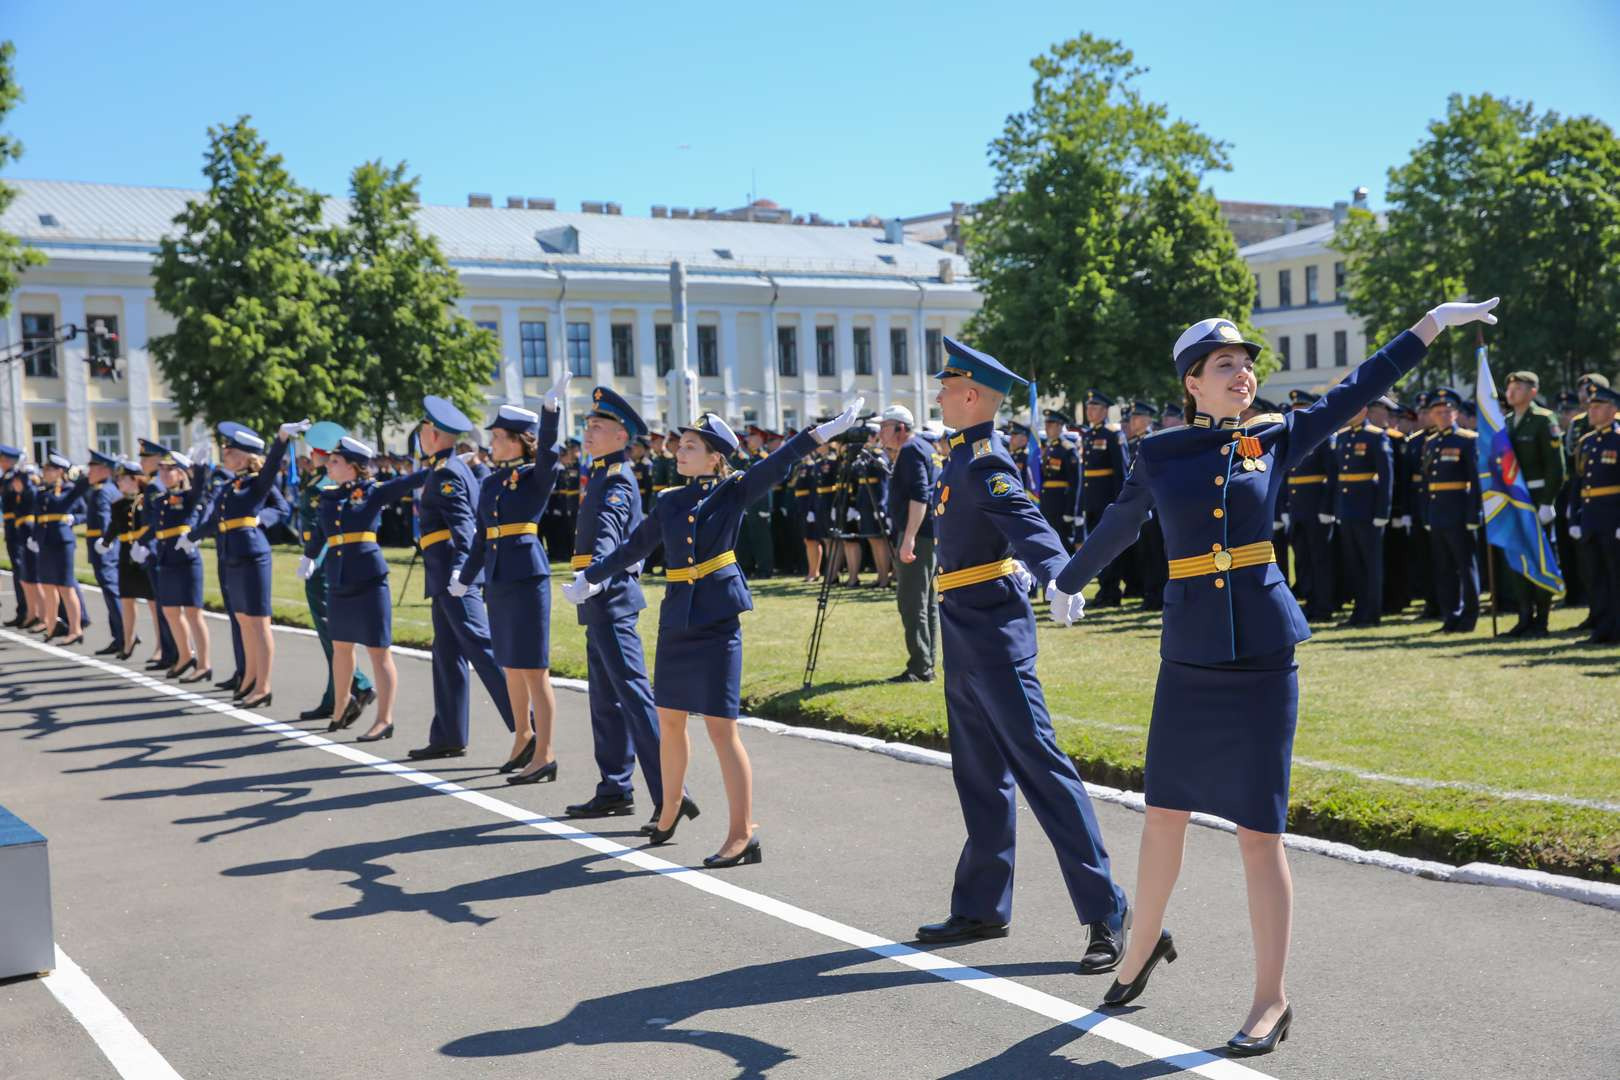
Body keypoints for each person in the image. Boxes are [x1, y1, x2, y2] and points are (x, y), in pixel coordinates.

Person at [1055, 298, 1500, 1056]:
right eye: (1226, 365)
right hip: (1190, 655)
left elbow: (1359, 386)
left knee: (1260, 833)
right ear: (1191, 382)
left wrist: (1427, 325)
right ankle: (1141, 950)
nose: (1244, 374)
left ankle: (1271, 999)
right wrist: (1068, 579)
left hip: (1263, 655)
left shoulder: (1276, 436)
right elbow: (1120, 524)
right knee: (1165, 813)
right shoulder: (1159, 455)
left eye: (1247, 363)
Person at [911, 337, 1129, 979]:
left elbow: (1030, 525)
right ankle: (982, 905)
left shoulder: (984, 462)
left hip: (995, 635)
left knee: (1043, 772)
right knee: (979, 773)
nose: (940, 395)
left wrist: (1063, 578)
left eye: (948, 387)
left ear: (971, 395)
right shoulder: (954, 458)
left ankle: (1108, 911)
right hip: (963, 628)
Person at [564, 401, 863, 866]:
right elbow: (634, 546)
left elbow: (777, 462)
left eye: (690, 446)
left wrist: (819, 433)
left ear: (715, 457)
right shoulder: (668, 500)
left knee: (723, 730)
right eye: (680, 444)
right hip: (677, 619)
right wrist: (594, 577)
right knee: (669, 722)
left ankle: (743, 833)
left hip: (717, 621)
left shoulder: (732, 492)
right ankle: (668, 809)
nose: (679, 451)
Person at [560, 385, 687, 829]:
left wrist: (593, 576)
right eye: (587, 425)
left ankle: (671, 794)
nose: (588, 432)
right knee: (606, 701)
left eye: (598, 427)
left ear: (621, 436)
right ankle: (615, 786)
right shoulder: (600, 472)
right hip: (598, 599)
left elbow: (610, 534)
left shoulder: (616, 479)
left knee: (633, 697)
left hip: (609, 597)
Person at [453, 395, 564, 783]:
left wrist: (550, 415)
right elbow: (483, 537)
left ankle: (545, 754)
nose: (492, 443)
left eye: (499, 436)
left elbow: (550, 454)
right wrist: (466, 576)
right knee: (512, 666)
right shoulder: (493, 481)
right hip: (499, 578)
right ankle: (523, 736)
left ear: (519, 440)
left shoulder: (536, 475)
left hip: (527, 578)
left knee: (534, 670)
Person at [297, 428, 430, 741]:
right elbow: (320, 533)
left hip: (369, 579)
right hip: (339, 577)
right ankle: (341, 707)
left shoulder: (373, 492)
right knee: (341, 648)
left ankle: (384, 719)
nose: (328, 465)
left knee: (378, 651)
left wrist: (437, 466)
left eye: (335, 461)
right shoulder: (329, 496)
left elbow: (408, 482)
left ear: (353, 465)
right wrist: (309, 557)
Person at [409, 396, 520, 765]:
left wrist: (461, 572)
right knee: (447, 655)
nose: (420, 436)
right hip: (445, 577)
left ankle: (529, 729)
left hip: (456, 578)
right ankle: (449, 734)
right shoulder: (444, 469)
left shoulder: (446, 474)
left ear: (434, 433)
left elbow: (464, 529)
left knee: (483, 652)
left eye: (423, 429)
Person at [190, 422, 291, 708]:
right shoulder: (228, 485)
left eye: (230, 450)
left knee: (259, 624)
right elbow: (213, 521)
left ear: (246, 456)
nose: (225, 454)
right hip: (231, 555)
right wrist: (190, 537)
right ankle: (249, 678)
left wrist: (281, 437)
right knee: (244, 621)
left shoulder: (257, 482)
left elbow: (272, 469)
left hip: (252, 555)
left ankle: (264, 685)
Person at [295, 422, 376, 726]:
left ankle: (360, 685)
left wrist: (317, 558)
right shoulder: (316, 480)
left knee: (333, 635)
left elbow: (329, 530)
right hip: (317, 561)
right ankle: (334, 697)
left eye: (320, 453)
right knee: (328, 635)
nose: (315, 457)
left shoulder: (325, 485)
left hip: (326, 564)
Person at [132, 445, 214, 681]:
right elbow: (157, 528)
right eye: (162, 469)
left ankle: (204, 663)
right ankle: (185, 656)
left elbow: (199, 489)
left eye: (171, 469)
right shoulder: (161, 500)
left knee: (193, 613)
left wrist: (198, 467)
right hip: (166, 558)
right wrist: (142, 542)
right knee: (169, 611)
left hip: (186, 560)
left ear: (180, 473)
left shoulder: (189, 498)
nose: (165, 473)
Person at [1501, 371, 1565, 637]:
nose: (1512, 392)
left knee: (1540, 559)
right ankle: (1524, 617)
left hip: (1537, 499)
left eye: (1518, 387)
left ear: (1533, 391)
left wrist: (1548, 502)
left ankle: (1542, 621)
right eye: (1510, 387)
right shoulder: (1505, 421)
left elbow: (1556, 466)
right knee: (1519, 558)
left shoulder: (1543, 420)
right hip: (1514, 500)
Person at [879, 404, 939, 683]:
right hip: (928, 533)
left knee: (912, 601)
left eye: (885, 426)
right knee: (925, 602)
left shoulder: (913, 450)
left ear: (901, 429)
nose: (881, 432)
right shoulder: (923, 448)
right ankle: (925, 661)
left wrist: (910, 538)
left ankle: (920, 665)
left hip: (919, 533)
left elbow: (920, 496)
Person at [1423, 388, 1483, 633]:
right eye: (1438, 412)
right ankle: (1451, 615)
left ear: (1456, 413)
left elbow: (1476, 481)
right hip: (1437, 513)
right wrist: (1426, 513)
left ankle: (1469, 617)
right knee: (1444, 568)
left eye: (1448, 411)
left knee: (1465, 567)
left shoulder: (1468, 440)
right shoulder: (1431, 442)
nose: (1443, 415)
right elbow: (1426, 483)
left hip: (1460, 512)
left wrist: (1473, 514)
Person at [1331, 406, 1394, 627]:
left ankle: (1372, 613)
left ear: (1365, 411)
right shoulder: (1342, 437)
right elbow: (1339, 476)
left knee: (1371, 564)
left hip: (1368, 510)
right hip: (1347, 510)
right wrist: (1338, 509)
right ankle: (1359, 612)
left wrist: (1382, 512)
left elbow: (1386, 477)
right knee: (1353, 564)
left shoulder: (1376, 436)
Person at [1570, 384, 1620, 645]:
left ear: (1613, 410)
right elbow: (1578, 484)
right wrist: (1574, 518)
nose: (1592, 411)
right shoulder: (1586, 442)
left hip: (1613, 518)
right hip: (1590, 518)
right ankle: (1602, 628)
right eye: (1590, 406)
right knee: (1596, 576)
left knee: (1616, 575)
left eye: (1598, 406)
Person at [29, 451, 91, 645]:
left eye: (49, 469)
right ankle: (51, 625)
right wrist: (34, 538)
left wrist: (74, 519)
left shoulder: (69, 490)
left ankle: (76, 629)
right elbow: (39, 519)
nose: (45, 471)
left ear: (59, 471)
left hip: (62, 541)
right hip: (46, 541)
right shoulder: (42, 492)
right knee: (48, 585)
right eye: (45, 468)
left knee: (65, 586)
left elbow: (84, 513)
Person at [1079, 390, 1127, 605]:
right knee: (1096, 547)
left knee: (1108, 548)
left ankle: (1111, 591)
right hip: (1093, 501)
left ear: (1105, 410)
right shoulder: (1089, 435)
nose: (1090, 412)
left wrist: (1120, 502)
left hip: (1108, 500)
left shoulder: (1112, 433)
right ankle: (1103, 589)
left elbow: (1121, 471)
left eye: (1095, 407)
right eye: (1088, 407)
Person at [108, 458, 155, 660]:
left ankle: (161, 646)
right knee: (127, 599)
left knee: (153, 603)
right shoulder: (119, 504)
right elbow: (115, 526)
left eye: (122, 478)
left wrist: (145, 546)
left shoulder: (146, 500)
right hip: (126, 554)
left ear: (135, 479)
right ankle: (128, 641)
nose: (119, 482)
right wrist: (105, 541)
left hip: (144, 553)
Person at [82, 450, 126, 654]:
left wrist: (104, 542)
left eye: (92, 467)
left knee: (112, 592)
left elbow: (106, 521)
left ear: (104, 470)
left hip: (104, 548)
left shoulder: (103, 491)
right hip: (105, 546)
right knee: (111, 592)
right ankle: (120, 635)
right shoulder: (107, 489)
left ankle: (125, 635)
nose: (88, 471)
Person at [1126, 402, 1168, 611]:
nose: (1132, 422)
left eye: (1137, 417)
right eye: (1132, 417)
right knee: (1144, 552)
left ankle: (1159, 594)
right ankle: (1150, 593)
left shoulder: (1155, 440)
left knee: (1155, 551)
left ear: (1148, 419)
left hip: (1155, 504)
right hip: (1140, 504)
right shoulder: (1134, 442)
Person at [1038, 410, 1081, 549]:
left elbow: (1075, 483)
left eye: (1050, 424)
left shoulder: (1067, 449)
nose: (1046, 427)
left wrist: (1070, 511)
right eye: (1046, 423)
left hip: (1061, 506)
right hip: (1048, 505)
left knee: (1064, 546)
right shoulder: (1049, 449)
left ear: (1059, 425)